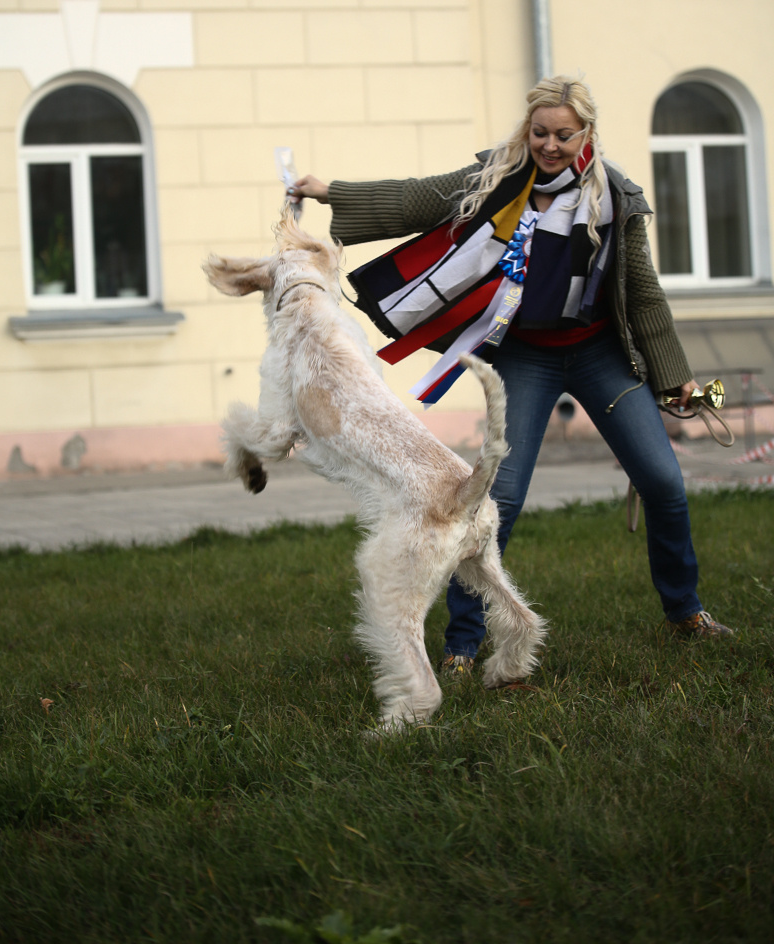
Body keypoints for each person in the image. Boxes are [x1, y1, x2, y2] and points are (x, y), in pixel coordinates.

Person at [293, 76, 733, 672]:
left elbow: (645, 295)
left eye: (563, 134)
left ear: (587, 134)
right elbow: (418, 198)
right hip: (526, 356)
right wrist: (330, 192)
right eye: (540, 132)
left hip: (600, 353)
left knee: (664, 483)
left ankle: (685, 611)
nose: (549, 145)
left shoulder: (617, 199)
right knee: (496, 499)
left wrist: (674, 375)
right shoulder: (497, 180)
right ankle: (464, 643)